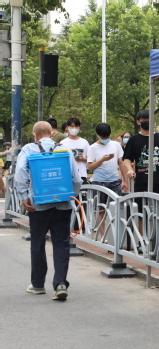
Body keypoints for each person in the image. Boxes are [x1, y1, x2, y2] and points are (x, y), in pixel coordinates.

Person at [15, 121, 81, 300]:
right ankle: (60, 283)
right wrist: (70, 195)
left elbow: (20, 171)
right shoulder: (64, 149)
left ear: (34, 134)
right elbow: (76, 179)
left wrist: (24, 196)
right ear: (51, 133)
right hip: (63, 204)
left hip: (38, 204)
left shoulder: (28, 149)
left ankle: (38, 284)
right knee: (61, 243)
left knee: (37, 243)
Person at [87, 123, 128, 235]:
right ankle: (103, 235)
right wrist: (102, 160)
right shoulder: (92, 148)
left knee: (116, 209)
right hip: (98, 182)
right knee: (100, 210)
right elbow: (90, 167)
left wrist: (125, 180)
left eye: (107, 136)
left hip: (114, 181)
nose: (105, 139)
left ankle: (115, 235)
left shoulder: (116, 145)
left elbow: (121, 162)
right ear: (97, 135)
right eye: (103, 137)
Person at [122, 109, 159, 200]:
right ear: (138, 122)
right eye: (143, 120)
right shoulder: (133, 140)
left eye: (149, 119)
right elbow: (127, 158)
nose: (147, 121)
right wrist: (130, 169)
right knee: (141, 207)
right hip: (141, 180)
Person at [60, 117, 90, 183]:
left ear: (79, 127)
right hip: (68, 174)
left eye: (76, 126)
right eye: (72, 126)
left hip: (81, 174)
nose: (74, 128)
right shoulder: (63, 143)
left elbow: (91, 159)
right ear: (68, 127)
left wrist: (83, 159)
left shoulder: (84, 142)